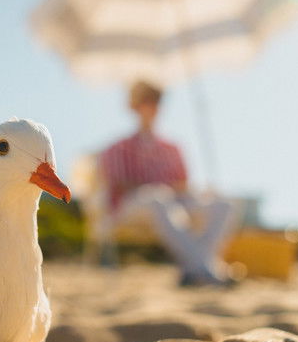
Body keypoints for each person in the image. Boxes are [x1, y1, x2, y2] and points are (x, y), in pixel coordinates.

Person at [100, 80, 233, 286]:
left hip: (175, 203)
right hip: (132, 207)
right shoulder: (117, 148)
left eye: (156, 101)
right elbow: (118, 185)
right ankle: (206, 269)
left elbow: (183, 185)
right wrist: (156, 187)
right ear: (134, 106)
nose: (152, 106)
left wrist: (194, 191)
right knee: (157, 198)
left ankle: (196, 269)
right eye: (146, 100)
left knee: (222, 204)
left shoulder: (173, 148)